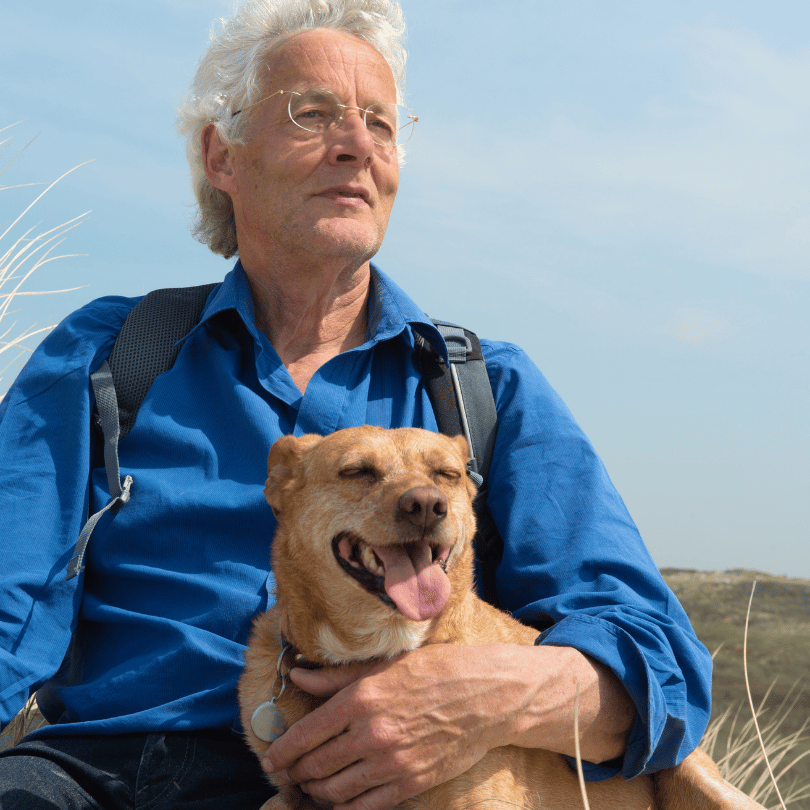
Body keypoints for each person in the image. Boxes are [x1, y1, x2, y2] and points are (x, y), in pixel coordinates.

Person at [0, 1, 712, 808]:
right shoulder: (112, 354)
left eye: (380, 122)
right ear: (220, 154)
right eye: (313, 113)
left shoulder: (486, 389)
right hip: (106, 778)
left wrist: (480, 697)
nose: (356, 145)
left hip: (398, 785)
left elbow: (658, 663)